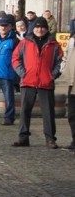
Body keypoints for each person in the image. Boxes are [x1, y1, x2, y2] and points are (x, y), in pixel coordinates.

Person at [11, 16, 63, 148]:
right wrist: (23, 73)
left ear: (46, 29)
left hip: (46, 82)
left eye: (43, 27)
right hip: (28, 81)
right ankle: (23, 137)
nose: (40, 30)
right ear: (33, 29)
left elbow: (60, 61)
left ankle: (50, 139)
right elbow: (16, 58)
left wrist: (53, 75)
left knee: (48, 112)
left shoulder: (54, 44)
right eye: (38, 27)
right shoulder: (25, 43)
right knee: (25, 110)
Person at [61, 27, 75, 151]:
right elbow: (66, 56)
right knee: (71, 114)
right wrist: (63, 70)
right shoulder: (72, 39)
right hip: (72, 82)